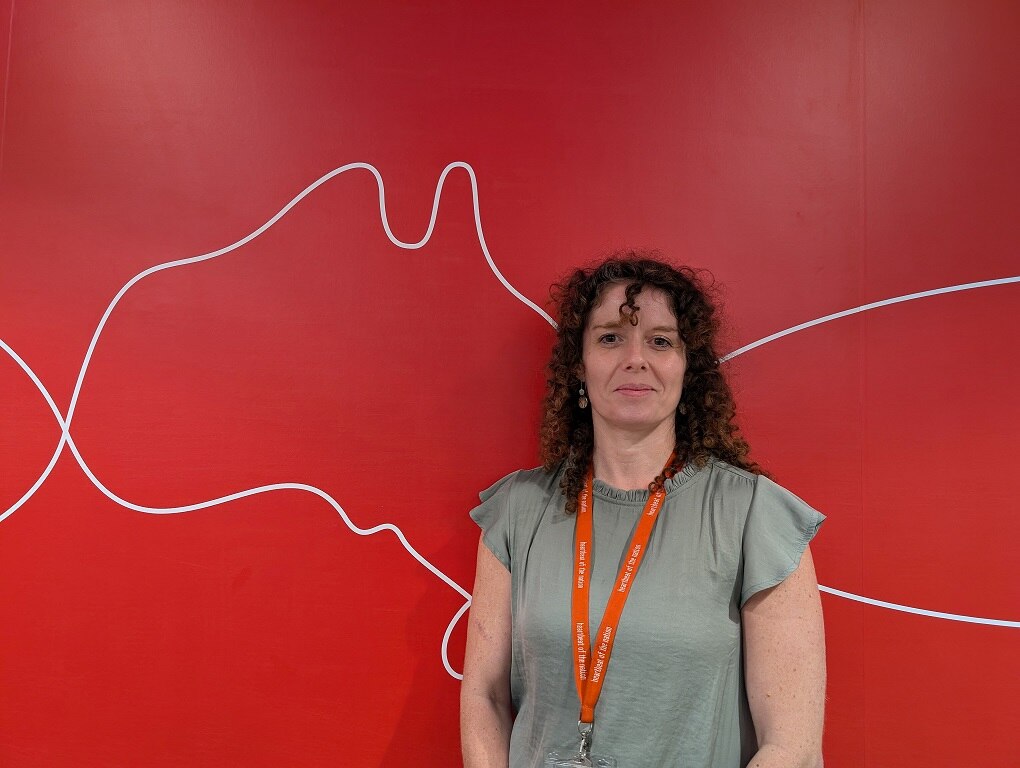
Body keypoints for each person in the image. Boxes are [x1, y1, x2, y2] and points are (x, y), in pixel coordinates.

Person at [460, 253, 826, 768]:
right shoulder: (519, 511)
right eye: (610, 337)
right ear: (579, 366)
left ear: (686, 367)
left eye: (660, 341)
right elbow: (485, 697)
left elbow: (793, 748)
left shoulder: (754, 517)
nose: (636, 358)